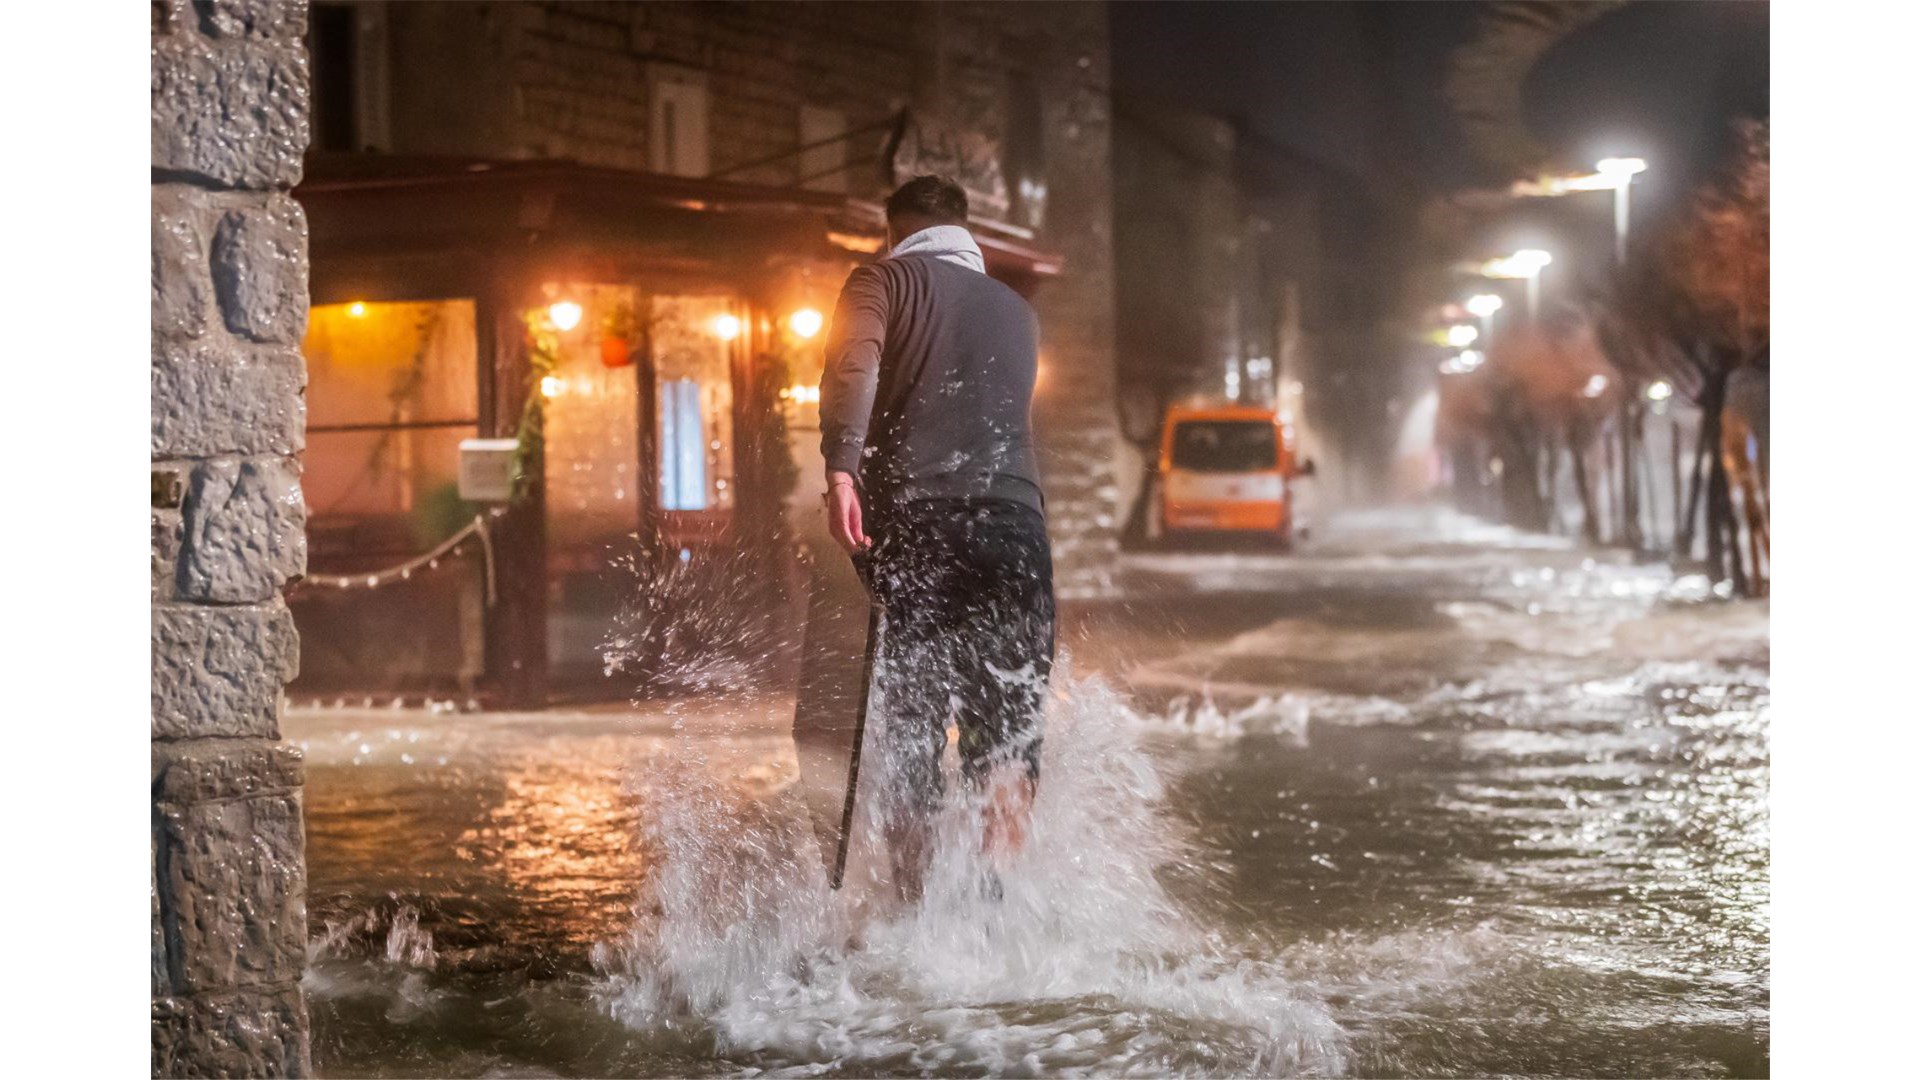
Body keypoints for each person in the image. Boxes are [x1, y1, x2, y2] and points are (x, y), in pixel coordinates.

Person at [818, 175, 1055, 903]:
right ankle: (995, 907)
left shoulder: (880, 280)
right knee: (1007, 731)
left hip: (920, 527)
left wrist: (841, 471)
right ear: (963, 227)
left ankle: (916, 917)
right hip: (1017, 531)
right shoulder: (1018, 310)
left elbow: (852, 363)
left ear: (897, 231)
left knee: (915, 728)